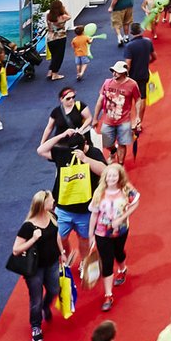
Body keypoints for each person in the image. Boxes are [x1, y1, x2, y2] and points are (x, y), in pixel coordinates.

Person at [40, 116, 108, 280]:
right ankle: (68, 257)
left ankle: (85, 261)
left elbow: (105, 170)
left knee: (83, 238)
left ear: (85, 144)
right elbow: (41, 150)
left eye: (80, 148)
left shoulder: (93, 152)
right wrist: (61, 136)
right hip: (63, 208)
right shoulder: (64, 151)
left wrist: (85, 159)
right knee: (60, 237)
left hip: (85, 209)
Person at [12, 190, 62, 341]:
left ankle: (46, 307)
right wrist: (33, 239)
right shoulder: (28, 226)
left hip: (52, 262)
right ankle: (36, 326)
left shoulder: (52, 216)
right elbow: (16, 250)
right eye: (51, 200)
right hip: (34, 268)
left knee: (55, 289)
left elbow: (57, 235)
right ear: (42, 204)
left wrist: (62, 253)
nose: (53, 201)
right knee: (36, 298)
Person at [90, 163, 140, 312]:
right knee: (107, 261)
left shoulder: (126, 189)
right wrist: (91, 234)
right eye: (109, 175)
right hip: (101, 232)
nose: (111, 178)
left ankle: (122, 268)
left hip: (121, 231)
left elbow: (135, 203)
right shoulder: (99, 192)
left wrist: (122, 218)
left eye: (114, 175)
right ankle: (108, 294)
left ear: (119, 176)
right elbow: (94, 213)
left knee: (119, 253)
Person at [95, 61, 144, 166]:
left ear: (123, 73)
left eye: (117, 72)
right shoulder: (107, 83)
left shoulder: (132, 84)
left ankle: (120, 164)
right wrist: (95, 118)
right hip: (108, 119)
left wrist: (137, 117)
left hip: (124, 120)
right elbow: (100, 100)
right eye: (113, 71)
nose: (114, 74)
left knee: (122, 143)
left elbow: (138, 99)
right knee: (107, 143)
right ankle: (113, 150)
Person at [124, 22, 156, 102]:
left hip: (133, 76)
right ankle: (140, 114)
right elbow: (154, 57)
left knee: (130, 97)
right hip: (144, 74)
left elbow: (128, 64)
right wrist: (146, 63)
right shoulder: (148, 41)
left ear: (131, 32)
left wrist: (125, 76)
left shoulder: (129, 46)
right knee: (142, 96)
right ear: (140, 30)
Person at [44, 0, 72, 81]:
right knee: (59, 56)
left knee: (54, 55)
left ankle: (50, 71)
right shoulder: (62, 17)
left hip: (50, 38)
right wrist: (64, 9)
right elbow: (69, 16)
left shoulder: (48, 16)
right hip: (60, 38)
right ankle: (55, 74)